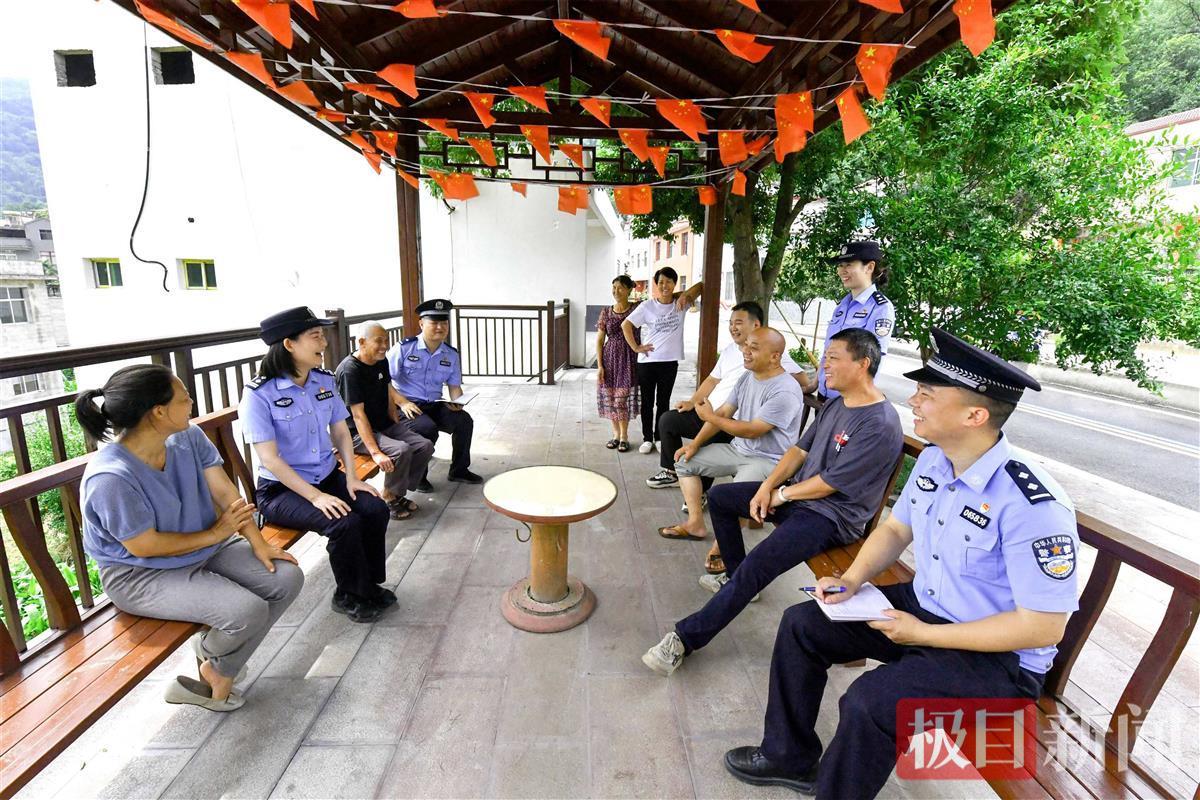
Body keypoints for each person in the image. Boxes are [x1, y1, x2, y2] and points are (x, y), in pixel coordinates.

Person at [722, 327, 1078, 799]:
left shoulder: (1033, 505)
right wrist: (852, 580)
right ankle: (789, 756)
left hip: (998, 659)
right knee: (803, 624)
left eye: (928, 394)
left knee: (870, 701)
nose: (913, 401)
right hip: (928, 608)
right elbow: (894, 530)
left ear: (974, 415)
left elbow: (1043, 628)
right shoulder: (935, 460)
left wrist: (923, 635)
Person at [643, 328, 902, 676]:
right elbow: (798, 451)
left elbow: (830, 484)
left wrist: (780, 494)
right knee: (720, 498)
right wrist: (768, 486)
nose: (823, 366)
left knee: (758, 565)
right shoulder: (838, 404)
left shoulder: (879, 423)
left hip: (832, 517)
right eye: (825, 358)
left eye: (832, 358)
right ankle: (735, 577)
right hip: (801, 497)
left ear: (863, 364)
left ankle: (684, 639)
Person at [78, 364, 303, 712]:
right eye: (184, 398)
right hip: (140, 573)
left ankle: (217, 665)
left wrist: (259, 544)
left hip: (205, 547)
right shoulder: (111, 477)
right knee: (247, 611)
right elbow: (144, 546)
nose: (192, 402)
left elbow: (226, 494)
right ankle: (221, 669)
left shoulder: (187, 436)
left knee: (286, 578)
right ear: (158, 412)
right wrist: (215, 533)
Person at [240, 306, 392, 624]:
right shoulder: (259, 395)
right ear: (289, 344)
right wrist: (315, 497)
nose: (324, 343)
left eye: (322, 335)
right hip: (282, 491)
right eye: (316, 336)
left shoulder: (323, 380)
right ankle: (349, 594)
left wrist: (352, 477)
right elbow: (269, 459)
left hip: (327, 476)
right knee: (344, 522)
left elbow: (340, 431)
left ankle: (368, 584)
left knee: (375, 508)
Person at [646, 300, 808, 573]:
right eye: (746, 346)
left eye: (754, 348)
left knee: (731, 496)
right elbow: (724, 412)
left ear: (775, 357)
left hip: (768, 460)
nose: (745, 351)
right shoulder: (747, 377)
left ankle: (721, 548)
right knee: (684, 461)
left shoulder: (786, 389)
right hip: (739, 449)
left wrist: (710, 417)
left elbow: (753, 429)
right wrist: (695, 445)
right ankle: (695, 524)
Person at [335, 320, 434, 521]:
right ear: (362, 342)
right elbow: (358, 415)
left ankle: (396, 493)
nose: (384, 346)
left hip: (383, 425)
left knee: (424, 446)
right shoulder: (349, 370)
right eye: (378, 341)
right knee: (401, 450)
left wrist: (396, 423)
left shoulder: (380, 360)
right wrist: (376, 452)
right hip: (355, 433)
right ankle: (390, 497)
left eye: (386, 341)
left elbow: (388, 391)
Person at [386, 298, 482, 487]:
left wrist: (458, 403)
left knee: (464, 421)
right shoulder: (404, 348)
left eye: (444, 323)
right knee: (426, 428)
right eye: (434, 323)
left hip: (434, 404)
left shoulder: (451, 354)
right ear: (422, 324)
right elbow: (384, 381)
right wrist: (402, 402)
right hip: (407, 405)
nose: (440, 327)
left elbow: (454, 386)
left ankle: (459, 470)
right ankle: (418, 477)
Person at [621, 267, 704, 454]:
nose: (664, 286)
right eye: (660, 282)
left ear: (675, 284)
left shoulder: (681, 303)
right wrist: (636, 347)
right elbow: (626, 325)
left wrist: (684, 295)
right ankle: (647, 439)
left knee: (663, 402)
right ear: (656, 285)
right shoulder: (647, 306)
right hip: (647, 362)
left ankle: (659, 437)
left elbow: (701, 286)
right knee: (647, 402)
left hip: (669, 362)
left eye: (668, 282)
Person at [808, 240, 895, 402]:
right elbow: (829, 351)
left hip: (848, 401)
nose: (842, 271)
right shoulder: (842, 305)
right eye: (840, 265)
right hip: (824, 395)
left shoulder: (880, 308)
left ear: (869, 267)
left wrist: (855, 400)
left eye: (848, 264)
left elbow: (873, 361)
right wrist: (815, 383)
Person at [595, 275, 640, 453]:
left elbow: (660, 303)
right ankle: (615, 435)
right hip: (609, 359)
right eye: (614, 287)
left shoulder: (637, 309)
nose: (616, 291)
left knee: (621, 399)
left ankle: (624, 436)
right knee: (611, 398)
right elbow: (600, 340)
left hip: (628, 359)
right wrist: (600, 365)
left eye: (620, 287)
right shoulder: (606, 312)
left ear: (629, 289)